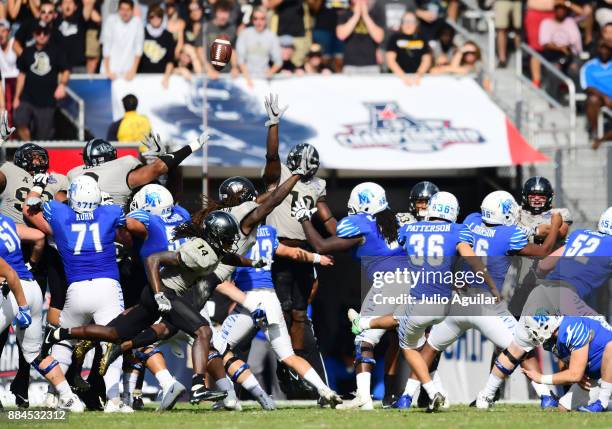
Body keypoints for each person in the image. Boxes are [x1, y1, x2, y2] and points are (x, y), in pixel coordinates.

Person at [349, 191, 498, 412]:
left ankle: (431, 392)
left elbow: (397, 251)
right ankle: (420, 395)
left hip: (418, 297)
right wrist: (491, 286)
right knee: (420, 343)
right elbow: (470, 259)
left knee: (407, 345)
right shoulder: (457, 230)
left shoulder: (409, 228)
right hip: (444, 303)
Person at [423, 191, 563, 410]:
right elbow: (543, 251)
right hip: (487, 303)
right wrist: (554, 224)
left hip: (459, 298)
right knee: (520, 344)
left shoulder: (470, 221)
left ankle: (410, 393)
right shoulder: (509, 234)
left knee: (429, 346)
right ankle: (542, 396)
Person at [474, 206, 612, 409]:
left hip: (541, 290)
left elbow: (544, 265)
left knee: (517, 347)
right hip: (567, 296)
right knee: (604, 339)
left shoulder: (580, 235)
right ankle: (600, 396)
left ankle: (485, 396)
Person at [293, 182, 405, 410]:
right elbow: (341, 234)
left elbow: (322, 245)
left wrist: (304, 219)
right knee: (405, 342)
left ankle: (364, 396)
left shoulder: (360, 224)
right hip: (408, 282)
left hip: (387, 285)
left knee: (364, 339)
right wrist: (321, 206)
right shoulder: (391, 221)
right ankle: (398, 395)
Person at [25, 175, 133, 412]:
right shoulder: (110, 212)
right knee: (112, 342)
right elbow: (126, 232)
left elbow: (29, 205)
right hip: (107, 287)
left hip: (77, 289)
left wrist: (38, 186)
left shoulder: (60, 213)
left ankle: (57, 394)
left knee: (64, 342)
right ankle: (114, 399)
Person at [213, 223, 342, 408]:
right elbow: (292, 252)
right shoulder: (268, 231)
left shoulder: (236, 232)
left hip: (249, 298)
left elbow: (221, 277)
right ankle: (325, 390)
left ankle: (230, 398)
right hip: (271, 298)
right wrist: (317, 258)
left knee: (217, 349)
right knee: (288, 356)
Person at [263, 94, 337, 387]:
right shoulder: (279, 174)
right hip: (279, 246)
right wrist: (273, 124)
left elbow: (326, 216)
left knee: (299, 311)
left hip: (304, 248)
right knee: (281, 308)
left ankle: (293, 360)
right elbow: (271, 157)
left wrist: (344, 236)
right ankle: (284, 359)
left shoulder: (317, 184)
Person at [67, 132, 207, 207]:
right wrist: (191, 147)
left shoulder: (74, 173)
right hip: (114, 233)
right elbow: (158, 170)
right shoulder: (122, 167)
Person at [521, 315, 612, 413]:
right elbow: (566, 370)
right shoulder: (551, 341)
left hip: (606, 372)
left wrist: (541, 378)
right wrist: (576, 374)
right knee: (563, 407)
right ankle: (605, 405)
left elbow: (574, 375)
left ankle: (603, 402)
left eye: (534, 328)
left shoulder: (572, 327)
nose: (533, 332)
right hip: (597, 377)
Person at [13, 23, 70, 141]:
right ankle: (29, 148)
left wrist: (62, 85)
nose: (42, 36)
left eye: (45, 33)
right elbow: (21, 75)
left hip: (47, 101)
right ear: (34, 34)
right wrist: (16, 97)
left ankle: (37, 155)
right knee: (19, 120)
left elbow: (66, 70)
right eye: (39, 33)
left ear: (49, 35)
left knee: (43, 136)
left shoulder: (56, 51)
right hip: (27, 98)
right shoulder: (27, 52)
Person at [236, 7, 282, 87]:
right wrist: (248, 79)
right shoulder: (245, 34)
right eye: (255, 19)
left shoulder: (272, 36)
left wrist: (271, 72)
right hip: (245, 78)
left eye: (262, 18)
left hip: (264, 79)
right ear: (252, 20)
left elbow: (278, 61)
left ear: (266, 20)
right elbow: (240, 60)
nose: (258, 22)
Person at [336, 0, 384, 74]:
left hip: (371, 65)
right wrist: (356, 15)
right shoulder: (345, 14)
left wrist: (365, 15)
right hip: (350, 65)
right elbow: (341, 35)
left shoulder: (375, 14)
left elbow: (379, 38)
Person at [385, 10, 432, 85]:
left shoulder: (422, 38)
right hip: (397, 80)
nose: (408, 24)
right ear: (401, 23)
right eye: (406, 21)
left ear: (416, 23)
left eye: (411, 21)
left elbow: (426, 60)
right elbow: (390, 60)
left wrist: (418, 75)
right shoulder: (394, 38)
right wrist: (403, 77)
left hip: (418, 80)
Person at [101, 0, 144, 81]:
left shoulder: (137, 23)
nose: (125, 13)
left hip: (128, 73)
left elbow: (139, 48)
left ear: (132, 10)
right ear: (118, 9)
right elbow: (106, 46)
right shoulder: (111, 21)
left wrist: (133, 71)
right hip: (109, 72)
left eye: (127, 10)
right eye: (122, 9)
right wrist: (108, 71)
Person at [581, 40, 612, 148]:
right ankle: (594, 132)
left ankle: (602, 139)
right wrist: (604, 97)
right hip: (600, 99)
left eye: (607, 48)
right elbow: (587, 87)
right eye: (602, 48)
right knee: (593, 100)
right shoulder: (589, 67)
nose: (604, 51)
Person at [262, 0, 311, 67]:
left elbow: (315, 5)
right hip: (279, 35)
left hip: (300, 36)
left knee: (297, 66)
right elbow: (268, 5)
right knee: (277, 65)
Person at [137, 4, 175, 88]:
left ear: (162, 18)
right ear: (148, 17)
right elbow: (136, 56)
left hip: (162, 78)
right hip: (142, 78)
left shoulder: (168, 36)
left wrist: (166, 77)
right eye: (152, 16)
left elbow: (170, 60)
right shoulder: (141, 33)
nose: (155, 19)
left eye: (158, 16)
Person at [203, 0, 239, 77]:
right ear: (215, 12)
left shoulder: (232, 28)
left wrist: (235, 67)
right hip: (208, 73)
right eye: (221, 12)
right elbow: (200, 51)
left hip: (228, 74)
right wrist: (209, 70)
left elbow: (233, 50)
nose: (223, 16)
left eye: (226, 12)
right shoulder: (206, 27)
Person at [0, 20, 20, 125]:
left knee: (16, 113)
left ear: (8, 32)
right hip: (2, 83)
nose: (0, 34)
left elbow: (24, 61)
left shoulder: (14, 43)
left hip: (15, 82)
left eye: (3, 31)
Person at [494, 0, 522, 68]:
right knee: (501, 29)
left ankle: (520, 57)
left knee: (518, 29)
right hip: (502, 2)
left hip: (518, 2)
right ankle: (502, 60)